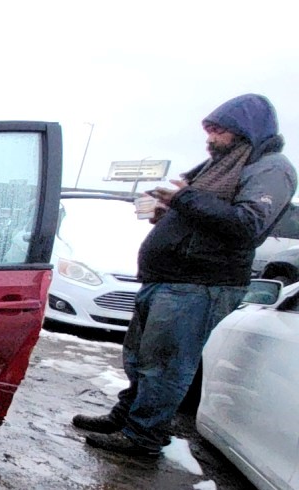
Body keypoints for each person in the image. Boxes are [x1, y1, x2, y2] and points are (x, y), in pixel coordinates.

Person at [73, 94, 297, 458]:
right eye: (208, 129)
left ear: (247, 131)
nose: (210, 137)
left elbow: (247, 224)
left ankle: (143, 437)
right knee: (140, 358)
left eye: (219, 130)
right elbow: (202, 214)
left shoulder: (271, 169)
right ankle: (126, 417)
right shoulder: (223, 164)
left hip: (200, 285)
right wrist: (168, 212)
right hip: (167, 279)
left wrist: (182, 200)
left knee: (165, 365)